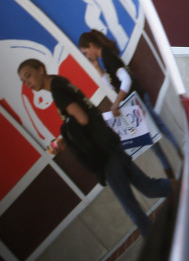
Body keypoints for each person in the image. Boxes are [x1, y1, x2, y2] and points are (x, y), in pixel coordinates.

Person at [17, 59, 172, 236]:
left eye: (28, 76)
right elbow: (83, 121)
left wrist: (65, 133)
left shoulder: (58, 91)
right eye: (23, 81)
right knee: (150, 187)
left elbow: (82, 119)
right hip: (110, 146)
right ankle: (188, 187)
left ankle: (158, 249)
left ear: (41, 69)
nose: (27, 83)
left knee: (133, 210)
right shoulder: (61, 83)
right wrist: (66, 137)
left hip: (104, 156)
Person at [78, 29, 181, 178]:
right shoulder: (106, 57)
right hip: (135, 101)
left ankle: (177, 164)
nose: (87, 56)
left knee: (156, 133)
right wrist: (97, 68)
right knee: (153, 137)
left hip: (137, 99)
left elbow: (126, 79)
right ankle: (172, 170)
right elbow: (114, 84)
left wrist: (116, 103)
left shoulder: (107, 55)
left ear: (91, 45)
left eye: (85, 52)